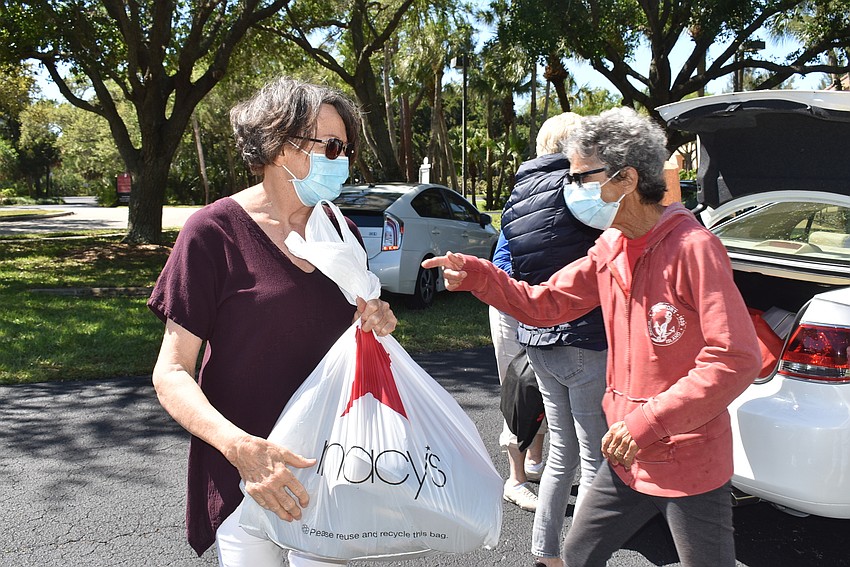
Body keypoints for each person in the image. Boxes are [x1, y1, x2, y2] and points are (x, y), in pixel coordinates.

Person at [423, 106, 762, 567]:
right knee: (577, 555)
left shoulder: (693, 248)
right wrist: (480, 275)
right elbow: (545, 305)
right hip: (624, 455)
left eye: (581, 176)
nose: (571, 188)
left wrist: (647, 424)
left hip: (687, 461)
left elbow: (734, 358)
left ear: (625, 179)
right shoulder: (611, 247)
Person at [147, 77, 397, 567]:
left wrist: (377, 319)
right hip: (249, 477)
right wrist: (240, 449)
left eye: (346, 148)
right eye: (332, 145)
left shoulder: (339, 232)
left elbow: (349, 341)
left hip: (333, 471)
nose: (342, 159)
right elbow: (171, 373)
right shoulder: (212, 233)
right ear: (280, 147)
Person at [499, 112, 609, 567]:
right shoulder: (579, 192)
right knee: (594, 461)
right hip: (584, 335)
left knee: (562, 452)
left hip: (537, 338)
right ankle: (583, 557)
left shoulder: (518, 196)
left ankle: (546, 553)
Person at [490, 231, 546, 513]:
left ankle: (535, 463)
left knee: (546, 387)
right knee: (519, 390)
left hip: (548, 302)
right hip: (511, 301)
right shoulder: (524, 201)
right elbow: (501, 262)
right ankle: (516, 480)